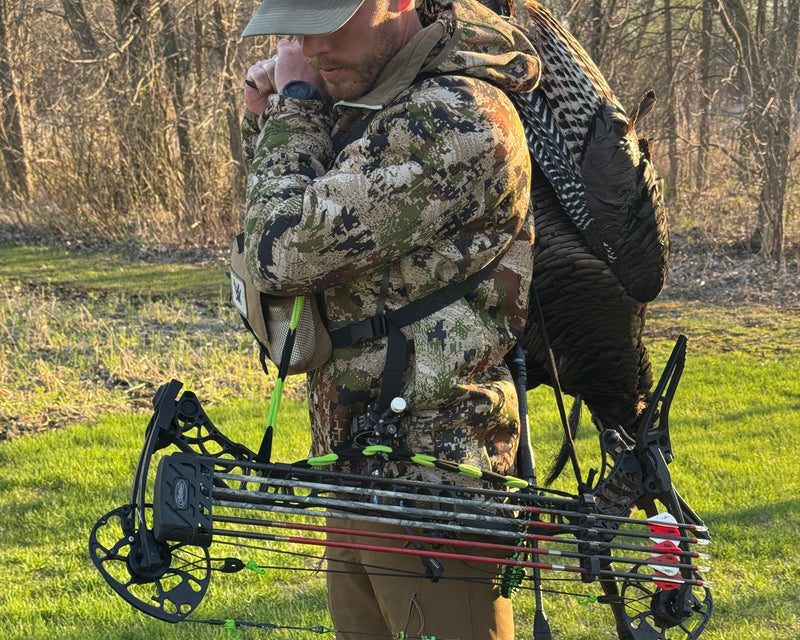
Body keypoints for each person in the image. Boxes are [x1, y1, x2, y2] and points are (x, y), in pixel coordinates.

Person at [238, 0, 539, 638]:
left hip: (435, 489)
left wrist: (295, 100)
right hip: (354, 468)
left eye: (328, 22)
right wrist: (268, 116)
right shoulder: (375, 103)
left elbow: (281, 248)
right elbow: (292, 202)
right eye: (297, 29)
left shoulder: (455, 115)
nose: (309, 46)